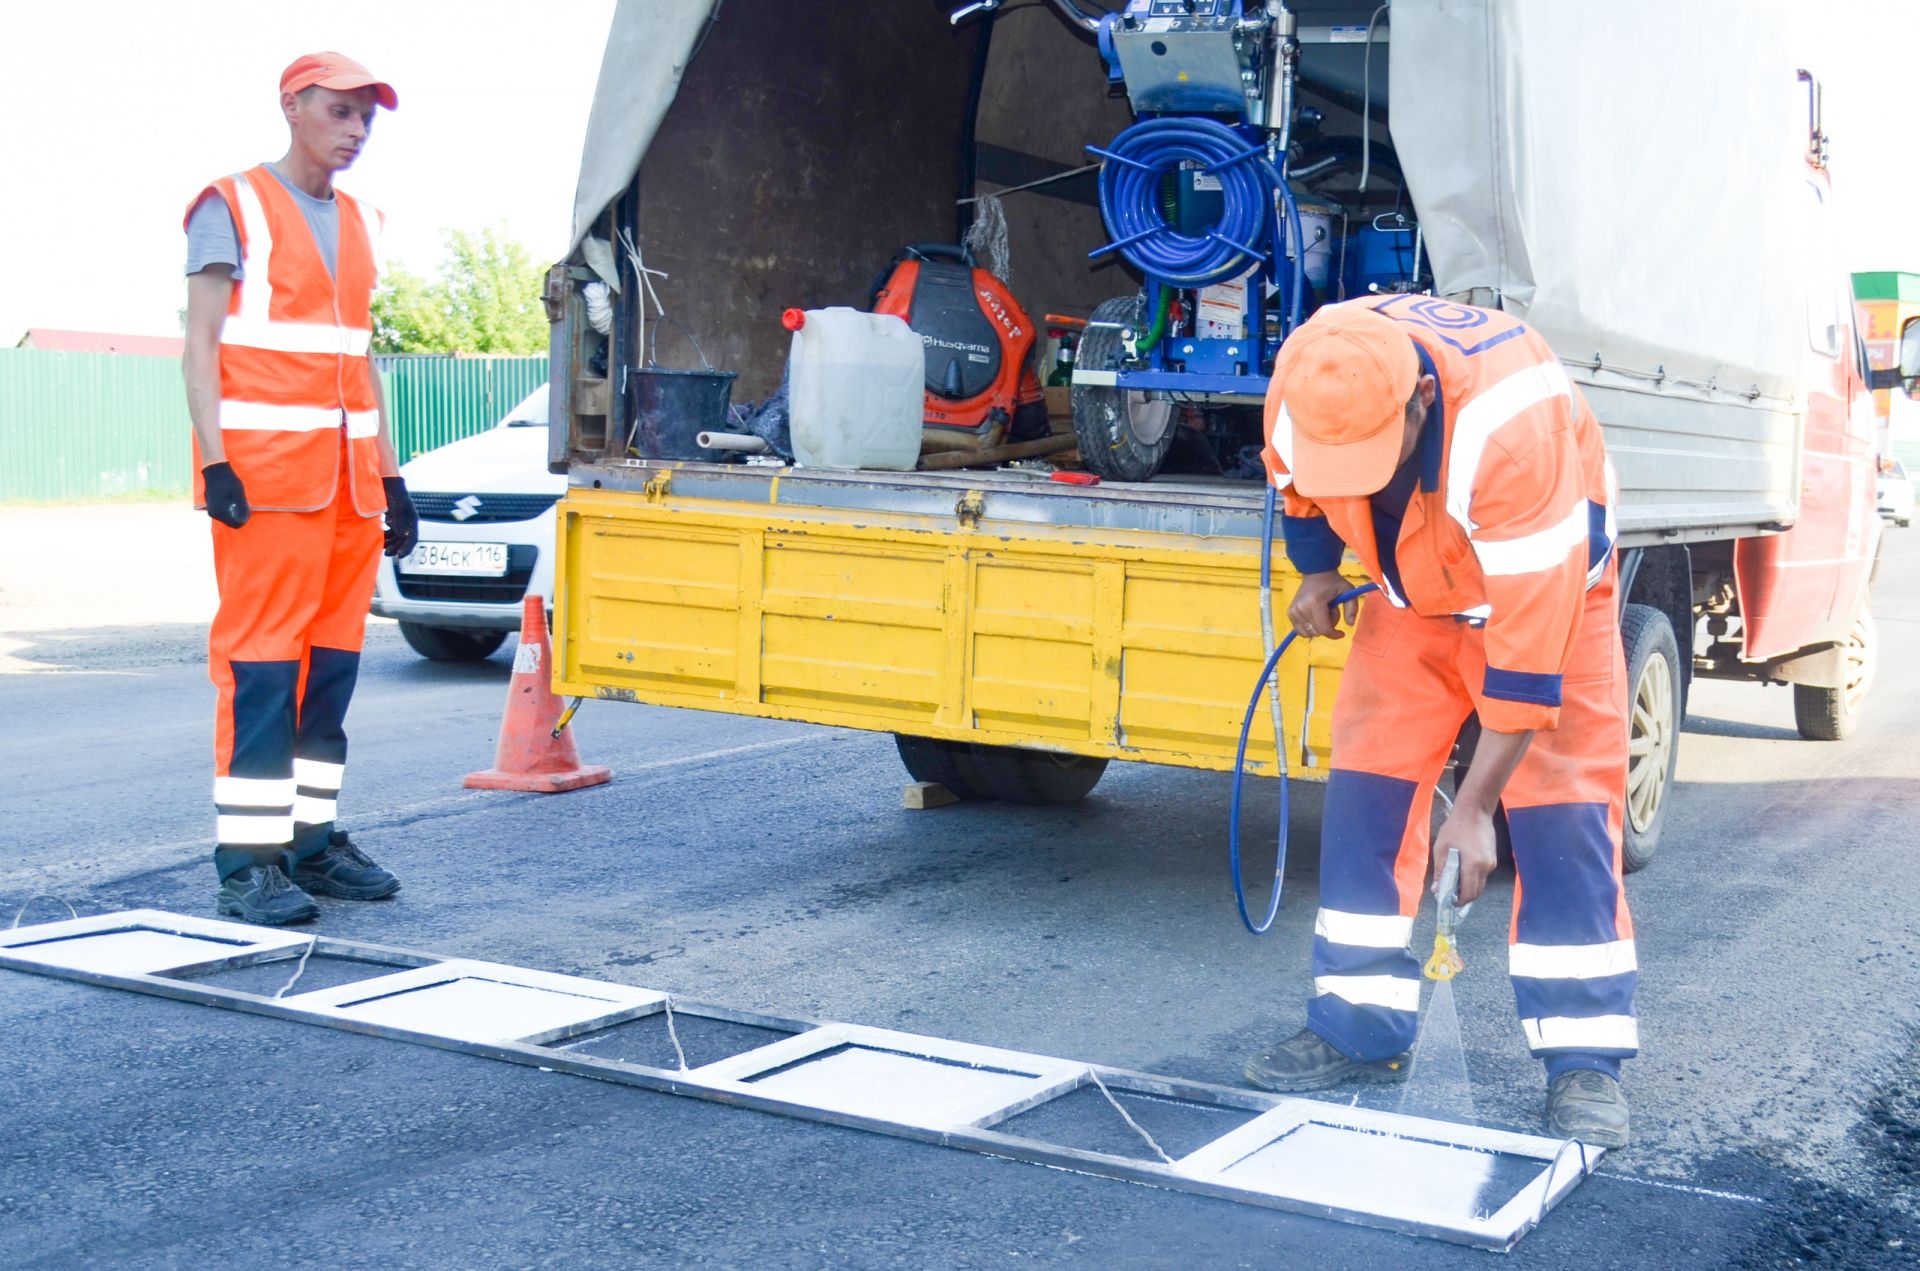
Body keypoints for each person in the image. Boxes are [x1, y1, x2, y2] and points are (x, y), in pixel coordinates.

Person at [1243, 298, 1637, 1148]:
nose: (1355, 480)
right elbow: (1297, 489)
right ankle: (1358, 1022)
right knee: (1368, 794)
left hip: (1543, 594)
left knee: (1561, 811)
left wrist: (1476, 808)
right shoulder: (1307, 382)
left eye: (1371, 462)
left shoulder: (1510, 436)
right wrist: (1315, 573)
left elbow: (1529, 671)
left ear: (1420, 400)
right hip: (1413, 597)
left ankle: (1583, 1061)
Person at [182, 52, 418, 925]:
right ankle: (248, 861)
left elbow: (358, 364)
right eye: (340, 112)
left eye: (366, 119)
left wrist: (392, 480)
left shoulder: (363, 221)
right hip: (268, 486)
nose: (355, 131)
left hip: (350, 494)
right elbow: (200, 344)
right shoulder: (231, 205)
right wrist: (213, 461)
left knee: (328, 677)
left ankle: (312, 844)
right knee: (262, 674)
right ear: (293, 106)